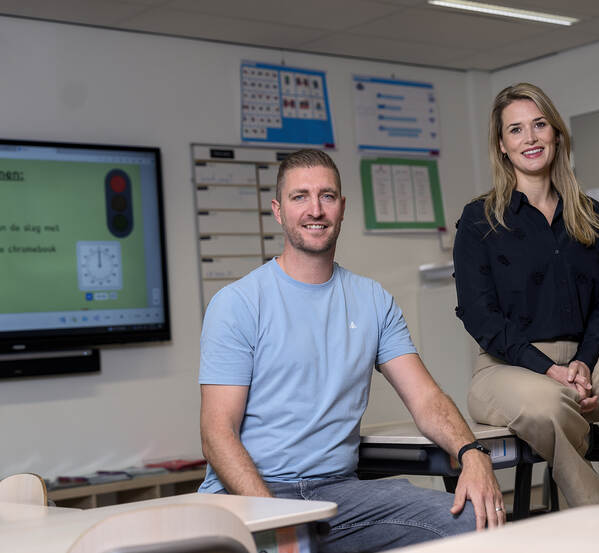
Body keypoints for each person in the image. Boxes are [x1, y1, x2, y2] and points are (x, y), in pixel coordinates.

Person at [198, 149, 504, 553]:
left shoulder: (372, 300)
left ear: (342, 208)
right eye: (299, 196)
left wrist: (473, 453)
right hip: (249, 495)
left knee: (477, 520)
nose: (315, 209)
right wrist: (275, 520)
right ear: (278, 210)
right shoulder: (238, 303)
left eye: (327, 196)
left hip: (338, 497)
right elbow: (216, 432)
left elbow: (426, 398)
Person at [452, 83, 599, 507]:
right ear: (502, 146)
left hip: (584, 365)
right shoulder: (480, 219)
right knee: (548, 401)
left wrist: (584, 361)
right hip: (508, 369)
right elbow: (479, 315)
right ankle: (594, 508)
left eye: (540, 125)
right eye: (516, 130)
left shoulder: (592, 215)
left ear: (557, 134)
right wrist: (548, 370)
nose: (530, 138)